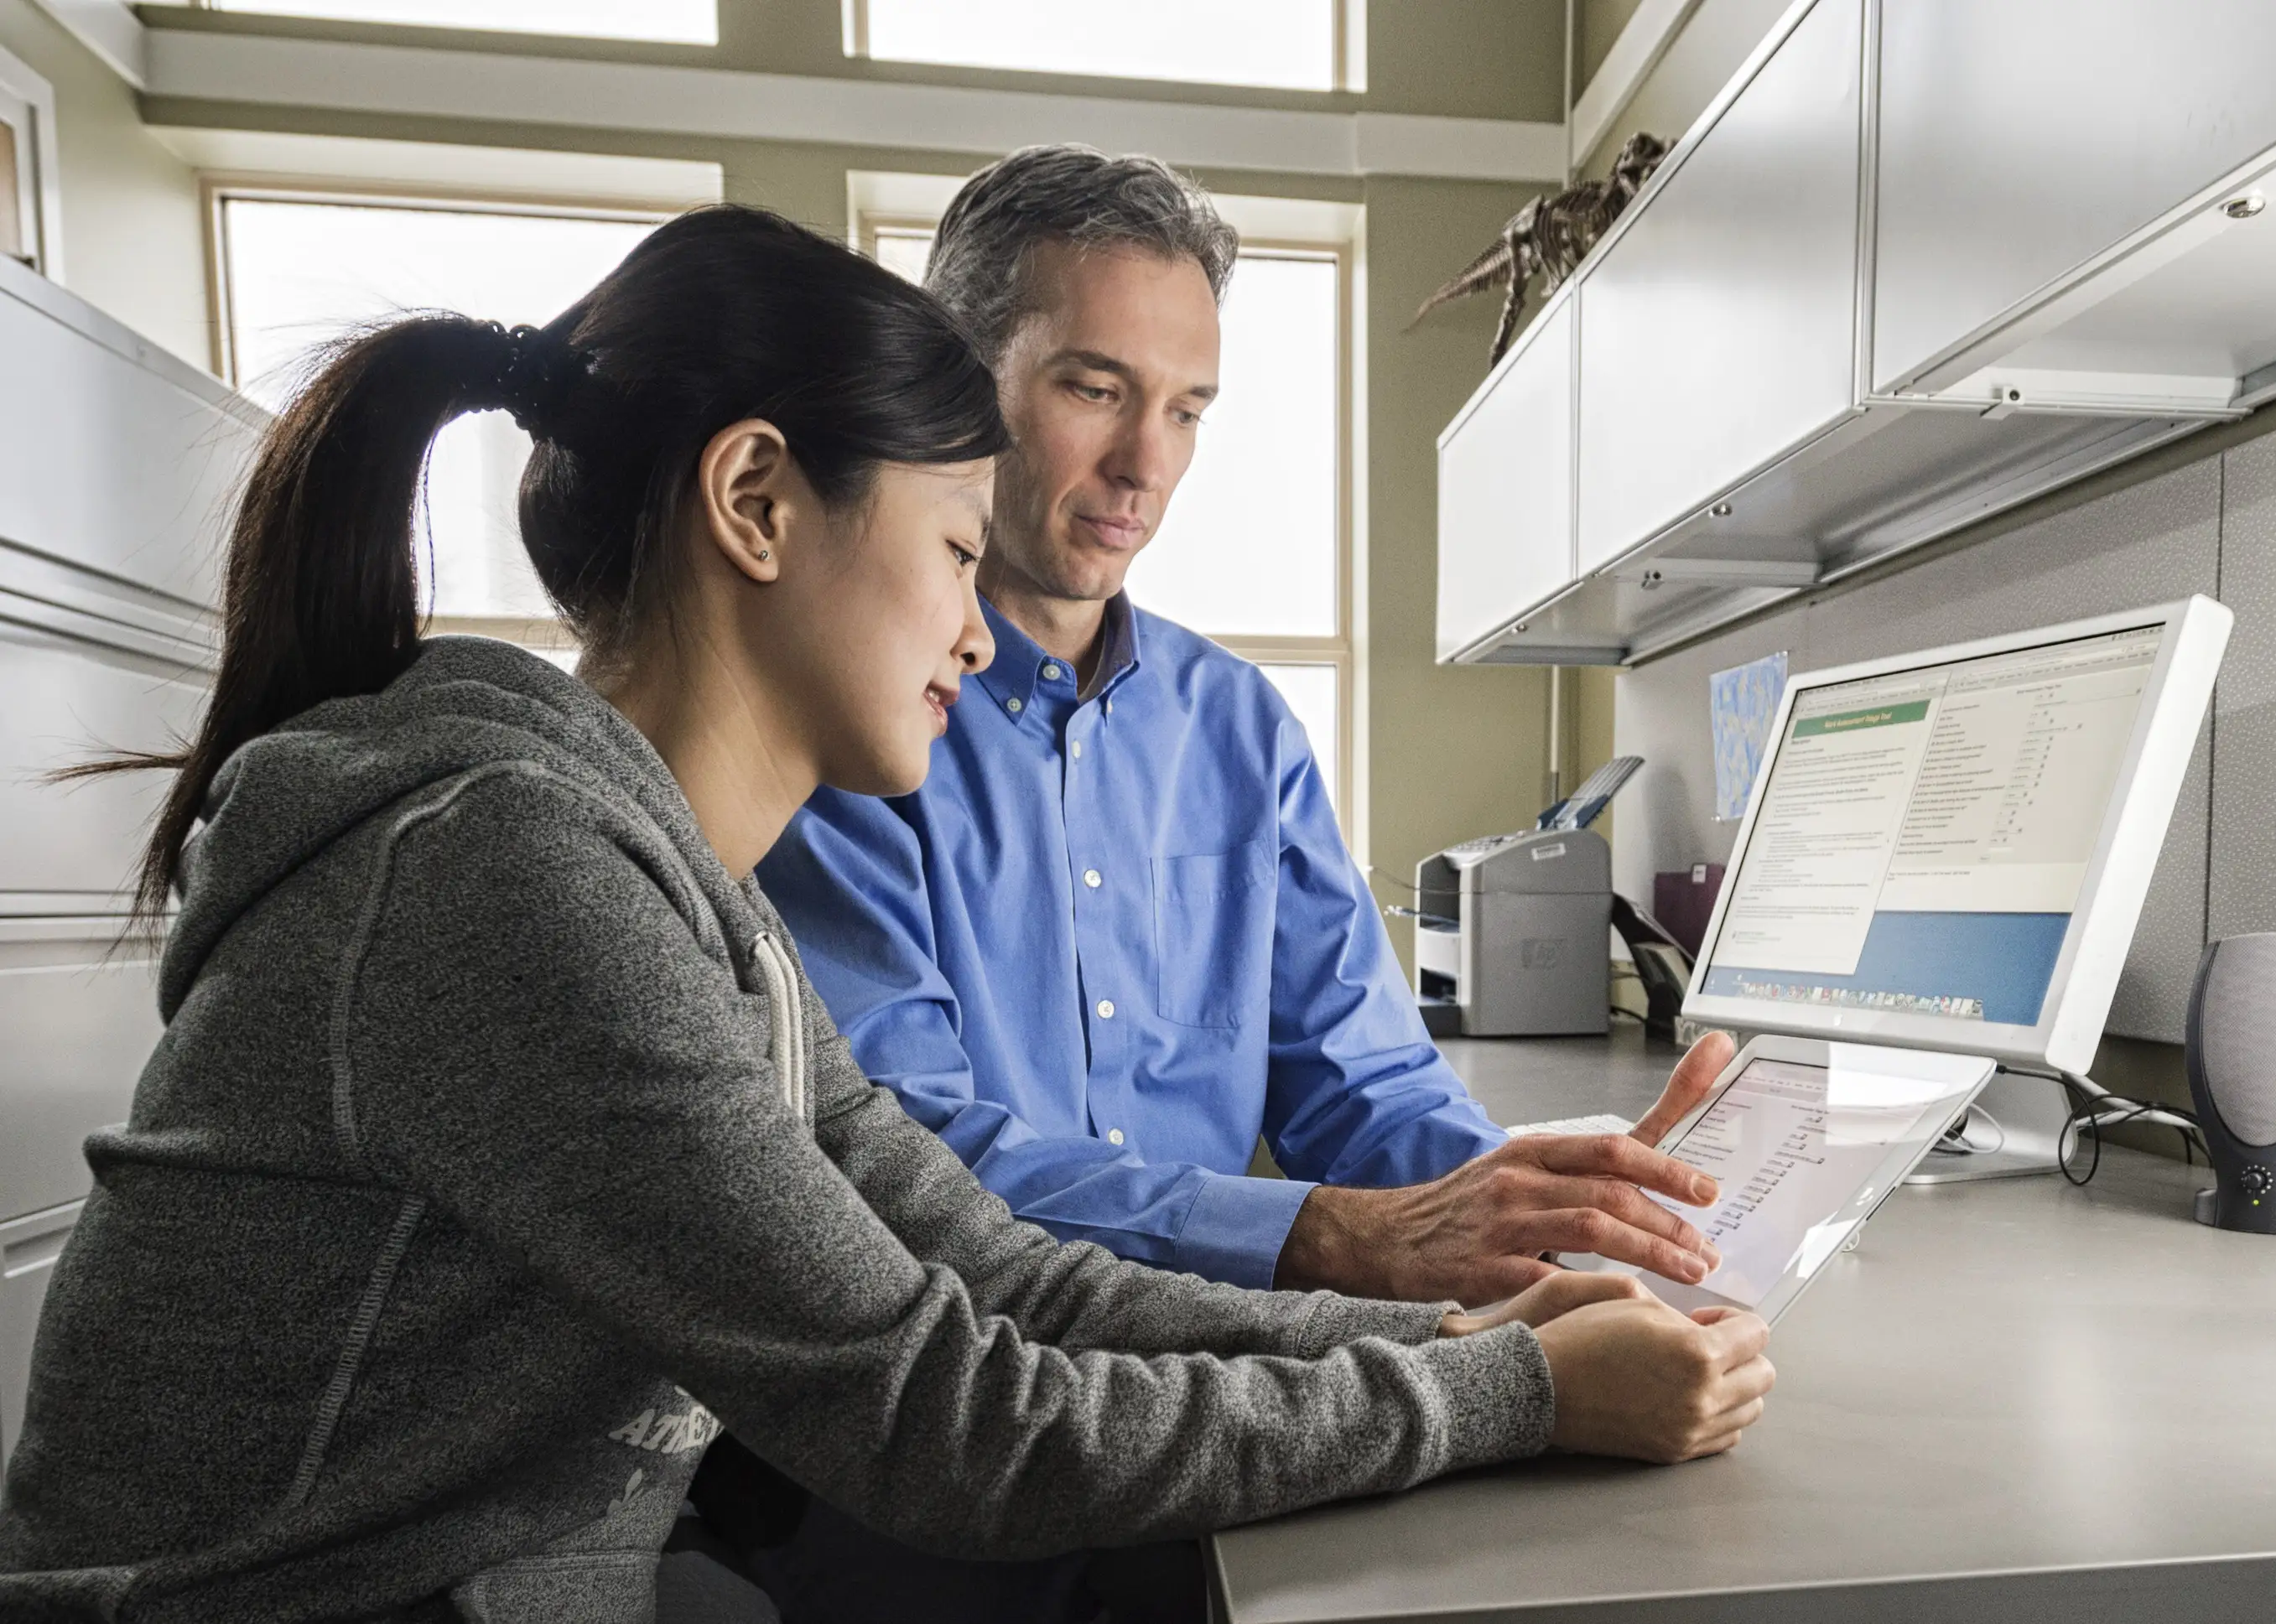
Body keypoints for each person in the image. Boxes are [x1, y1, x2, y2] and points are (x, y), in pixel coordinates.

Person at [0, 206, 1773, 1621]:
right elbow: (952, 1417)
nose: (983, 626)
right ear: (757, 501)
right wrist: (1512, 1396)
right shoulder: (509, 882)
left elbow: (997, 1268)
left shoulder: (681, 899)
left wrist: (1469, 1336)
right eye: (946, 549)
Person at [760, 144, 1732, 1310]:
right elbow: (905, 1159)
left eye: (1186, 410)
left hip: (1223, 1367)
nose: (1146, 467)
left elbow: (1362, 1084)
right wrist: (1325, 1237)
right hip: (964, 1375)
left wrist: (1544, 1207)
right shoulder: (850, 726)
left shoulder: (1239, 729)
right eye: (1095, 389)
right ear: (960, 378)